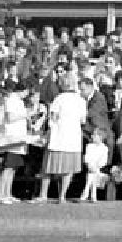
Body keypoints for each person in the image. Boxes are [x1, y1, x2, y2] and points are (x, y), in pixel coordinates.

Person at [33, 72, 86, 204]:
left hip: (59, 137)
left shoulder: (59, 99)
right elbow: (83, 120)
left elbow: (54, 118)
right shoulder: (81, 100)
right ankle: (62, 196)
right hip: (73, 139)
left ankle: (43, 194)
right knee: (68, 170)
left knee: (48, 167)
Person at [79, 127, 109, 201]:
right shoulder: (89, 146)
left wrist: (97, 165)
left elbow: (104, 160)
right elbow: (87, 157)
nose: (92, 136)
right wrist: (89, 165)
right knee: (91, 176)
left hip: (97, 167)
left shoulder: (104, 148)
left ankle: (86, 194)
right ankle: (92, 196)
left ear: (100, 137)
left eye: (95, 135)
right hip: (90, 167)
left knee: (91, 178)